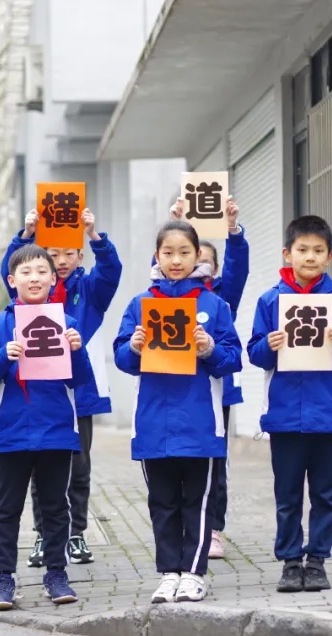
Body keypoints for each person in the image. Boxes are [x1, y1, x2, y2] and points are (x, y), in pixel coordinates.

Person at [113, 220, 243, 604]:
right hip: (154, 422)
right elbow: (123, 358)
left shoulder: (214, 305)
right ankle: (169, 572)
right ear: (157, 256)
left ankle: (194, 572)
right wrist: (133, 347)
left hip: (200, 421)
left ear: (197, 257)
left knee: (197, 502)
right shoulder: (141, 305)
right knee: (163, 502)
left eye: (185, 252)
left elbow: (232, 358)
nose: (176, 260)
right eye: (168, 253)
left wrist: (209, 351)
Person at [246, 215, 332, 593]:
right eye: (302, 250)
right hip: (283, 418)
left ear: (329, 256)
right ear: (288, 254)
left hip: (327, 416)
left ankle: (317, 560)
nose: (310, 257)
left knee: (325, 495)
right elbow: (254, 352)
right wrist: (270, 344)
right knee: (287, 495)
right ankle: (289, 560)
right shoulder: (270, 301)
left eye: (318, 251)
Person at [0, 244, 94, 610]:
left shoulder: (67, 323)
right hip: (12, 433)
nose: (35, 278)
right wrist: (3, 354)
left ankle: (56, 573)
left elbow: (81, 381)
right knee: (6, 509)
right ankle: (1, 578)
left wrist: (77, 349)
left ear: (53, 277)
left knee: (56, 507)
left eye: (42, 271)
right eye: (26, 272)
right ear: (12, 281)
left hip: (56, 431)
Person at [0, 207, 121, 568]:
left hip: (78, 396)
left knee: (78, 468)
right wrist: (24, 235)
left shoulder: (89, 292)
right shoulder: (32, 294)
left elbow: (112, 272)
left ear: (80, 255)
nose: (62, 260)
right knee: (42, 471)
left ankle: (76, 533)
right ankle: (43, 535)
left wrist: (96, 236)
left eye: (69, 253)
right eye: (53, 254)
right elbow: (13, 269)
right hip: (38, 396)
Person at [169, 197, 249, 559]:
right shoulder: (165, 296)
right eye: (188, 254)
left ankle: (213, 529)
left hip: (216, 392)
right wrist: (181, 222)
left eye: (203, 259)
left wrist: (232, 230)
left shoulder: (220, 298)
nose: (193, 263)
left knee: (216, 464)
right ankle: (186, 527)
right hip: (177, 390)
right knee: (179, 463)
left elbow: (238, 268)